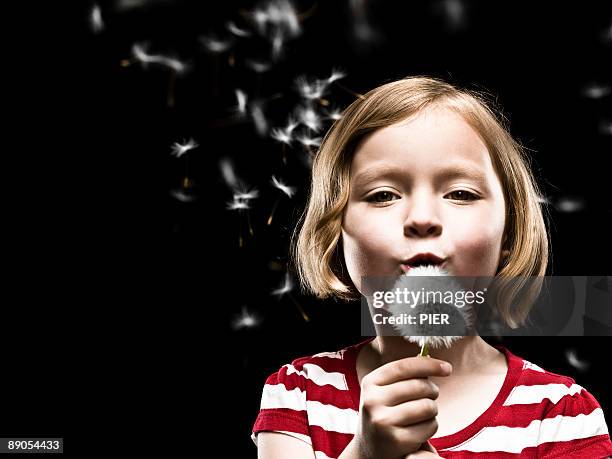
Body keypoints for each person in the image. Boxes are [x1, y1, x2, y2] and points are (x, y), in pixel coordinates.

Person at [251, 76, 612, 458]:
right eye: (383, 195)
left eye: (460, 193)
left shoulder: (562, 416)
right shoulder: (299, 396)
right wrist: (364, 453)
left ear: (509, 232)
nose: (422, 218)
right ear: (335, 233)